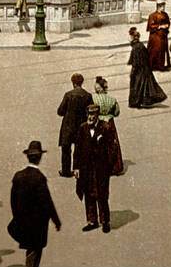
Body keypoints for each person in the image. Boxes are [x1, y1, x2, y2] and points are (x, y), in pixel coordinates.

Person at [9, 140, 61, 267]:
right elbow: (47, 202)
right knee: (35, 252)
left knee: (30, 249)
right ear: (40, 158)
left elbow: (13, 200)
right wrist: (56, 220)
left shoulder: (18, 176)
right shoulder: (39, 178)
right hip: (37, 223)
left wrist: (17, 217)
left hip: (22, 220)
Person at [74, 104, 114, 233]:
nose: (90, 117)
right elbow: (78, 149)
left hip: (101, 168)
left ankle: (105, 221)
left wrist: (109, 166)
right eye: (89, 114)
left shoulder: (105, 127)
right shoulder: (82, 128)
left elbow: (112, 149)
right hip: (86, 168)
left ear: (98, 115)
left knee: (102, 194)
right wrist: (76, 168)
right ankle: (92, 220)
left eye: (93, 115)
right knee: (88, 193)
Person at [56, 73, 93, 178]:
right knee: (79, 148)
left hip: (68, 125)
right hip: (81, 125)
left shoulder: (68, 95)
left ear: (73, 83)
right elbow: (91, 111)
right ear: (82, 82)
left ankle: (66, 171)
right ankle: (78, 169)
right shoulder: (88, 95)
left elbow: (60, 111)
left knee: (66, 148)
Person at [92, 76, 125, 176]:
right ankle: (115, 167)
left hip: (99, 122)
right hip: (110, 122)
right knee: (112, 144)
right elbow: (117, 112)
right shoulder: (112, 99)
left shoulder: (94, 98)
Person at [127, 27, 167, 107]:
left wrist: (133, 72)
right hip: (145, 69)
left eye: (130, 37)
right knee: (147, 86)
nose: (129, 39)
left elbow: (135, 63)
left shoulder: (136, 48)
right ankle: (145, 101)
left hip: (140, 70)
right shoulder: (140, 45)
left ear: (132, 37)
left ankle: (136, 102)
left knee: (138, 86)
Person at [147, 0, 171, 71]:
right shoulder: (153, 15)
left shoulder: (165, 14)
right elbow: (151, 26)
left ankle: (161, 65)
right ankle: (152, 65)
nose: (163, 8)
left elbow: (168, 22)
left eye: (164, 6)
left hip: (163, 35)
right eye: (162, 6)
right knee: (155, 50)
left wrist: (167, 26)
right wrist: (160, 26)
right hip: (155, 36)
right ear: (159, 6)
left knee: (163, 50)